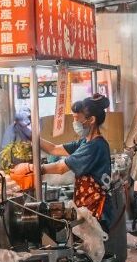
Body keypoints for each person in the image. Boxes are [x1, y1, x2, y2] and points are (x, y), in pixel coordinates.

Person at [12, 94, 115, 229]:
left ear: (91, 120)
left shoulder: (95, 146)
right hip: (88, 204)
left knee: (95, 247)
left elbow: (61, 168)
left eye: (78, 119)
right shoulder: (85, 142)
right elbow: (54, 149)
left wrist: (32, 168)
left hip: (96, 207)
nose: (75, 124)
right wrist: (30, 135)